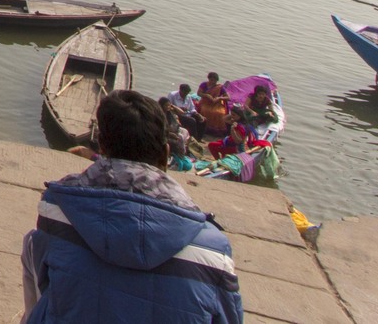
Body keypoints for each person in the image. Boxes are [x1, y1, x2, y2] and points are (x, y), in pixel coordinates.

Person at [22, 90, 242, 322]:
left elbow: (45, 283)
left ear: (102, 148)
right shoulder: (213, 250)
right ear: (165, 156)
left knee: (33, 244)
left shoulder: (57, 211)